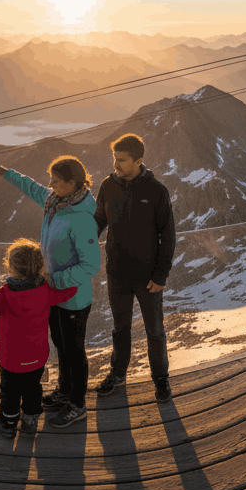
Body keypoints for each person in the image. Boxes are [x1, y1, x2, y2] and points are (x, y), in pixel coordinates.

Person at [0, 156, 100, 429]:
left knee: (74, 352)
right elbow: (33, 188)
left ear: (71, 183)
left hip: (73, 299)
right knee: (62, 347)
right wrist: (8, 174)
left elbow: (91, 265)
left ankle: (78, 404)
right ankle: (64, 391)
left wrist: (54, 280)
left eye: (55, 180)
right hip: (53, 296)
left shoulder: (82, 218)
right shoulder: (56, 204)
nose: (49, 185)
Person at [0, 239, 77, 439]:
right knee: (33, 389)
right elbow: (65, 294)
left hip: (10, 358)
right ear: (40, 266)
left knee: (9, 393)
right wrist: (76, 282)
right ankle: (30, 422)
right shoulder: (46, 292)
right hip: (37, 356)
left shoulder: (5, 295)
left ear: (11, 267)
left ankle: (8, 424)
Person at [93, 133, 177, 403]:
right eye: (114, 158)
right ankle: (117, 375)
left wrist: (161, 275)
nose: (115, 164)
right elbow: (98, 220)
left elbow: (168, 235)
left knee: (155, 330)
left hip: (148, 277)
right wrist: (80, 241)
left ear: (138, 161)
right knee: (120, 329)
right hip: (117, 273)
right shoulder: (108, 185)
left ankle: (161, 379)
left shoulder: (156, 191)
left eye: (121, 160)